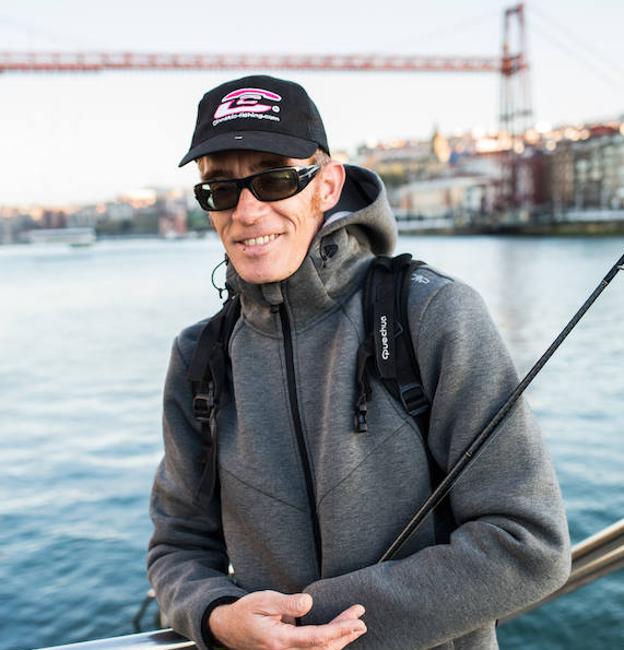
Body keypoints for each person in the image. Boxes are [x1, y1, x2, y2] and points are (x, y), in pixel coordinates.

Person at [148, 75, 571, 650]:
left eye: (273, 180)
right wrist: (216, 615)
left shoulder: (432, 312)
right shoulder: (198, 355)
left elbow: (529, 544)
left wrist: (313, 623)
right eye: (220, 190)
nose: (247, 211)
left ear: (327, 185)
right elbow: (177, 547)